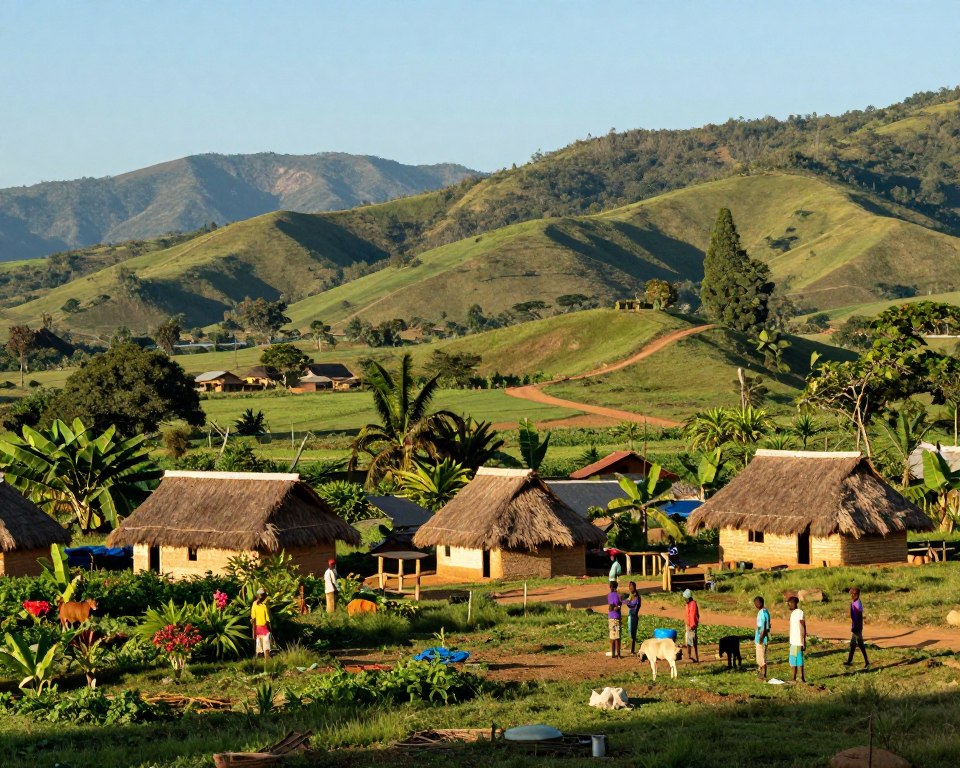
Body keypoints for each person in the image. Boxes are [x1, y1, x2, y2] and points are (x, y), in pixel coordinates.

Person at [844, 587, 870, 668]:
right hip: (856, 626)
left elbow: (857, 617)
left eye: (852, 594)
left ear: (856, 595)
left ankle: (867, 661)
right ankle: (849, 660)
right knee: (852, 644)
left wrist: (855, 627)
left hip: (857, 627)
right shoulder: (856, 602)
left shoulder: (857, 604)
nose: (851, 595)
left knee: (860, 644)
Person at [787, 595, 806, 683]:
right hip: (793, 641)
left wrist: (803, 641)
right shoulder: (793, 613)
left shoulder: (799, 612)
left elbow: (802, 626)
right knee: (793, 660)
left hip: (798, 641)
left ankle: (802, 678)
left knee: (799, 661)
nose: (789, 605)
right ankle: (794, 678)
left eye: (790, 603)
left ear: (795, 603)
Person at [250, 588, 271, 660]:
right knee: (265, 647)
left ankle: (256, 662)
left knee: (259, 647)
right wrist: (271, 631)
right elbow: (267, 621)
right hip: (263, 628)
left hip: (259, 628)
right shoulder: (263, 606)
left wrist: (254, 632)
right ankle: (266, 661)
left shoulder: (255, 605)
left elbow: (254, 619)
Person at [754, 595, 771, 680]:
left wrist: (761, 638)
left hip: (762, 639)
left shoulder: (764, 612)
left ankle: (763, 676)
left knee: (763, 659)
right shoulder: (761, 612)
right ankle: (761, 675)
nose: (755, 605)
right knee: (759, 659)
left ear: (760, 603)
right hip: (759, 638)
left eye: (756, 603)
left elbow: (764, 627)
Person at [625, 581, 641, 656]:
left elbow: (632, 605)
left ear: (635, 587)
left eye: (631, 586)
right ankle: (632, 650)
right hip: (632, 615)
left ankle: (632, 650)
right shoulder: (632, 595)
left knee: (632, 633)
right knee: (631, 633)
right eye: (629, 587)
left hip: (633, 616)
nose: (630, 588)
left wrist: (625, 602)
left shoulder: (636, 596)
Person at [683, 588, 700, 663]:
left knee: (692, 641)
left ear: (688, 598)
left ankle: (695, 657)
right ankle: (690, 656)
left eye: (685, 598)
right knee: (688, 641)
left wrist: (692, 626)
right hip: (688, 625)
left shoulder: (692, 605)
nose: (684, 600)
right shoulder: (688, 604)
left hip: (691, 626)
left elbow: (693, 616)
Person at [607, 580, 623, 658]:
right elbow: (618, 606)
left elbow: (611, 606)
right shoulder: (618, 595)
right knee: (617, 637)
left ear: (610, 587)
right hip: (616, 617)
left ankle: (613, 654)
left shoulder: (609, 595)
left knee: (612, 636)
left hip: (610, 617)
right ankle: (619, 654)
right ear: (616, 587)